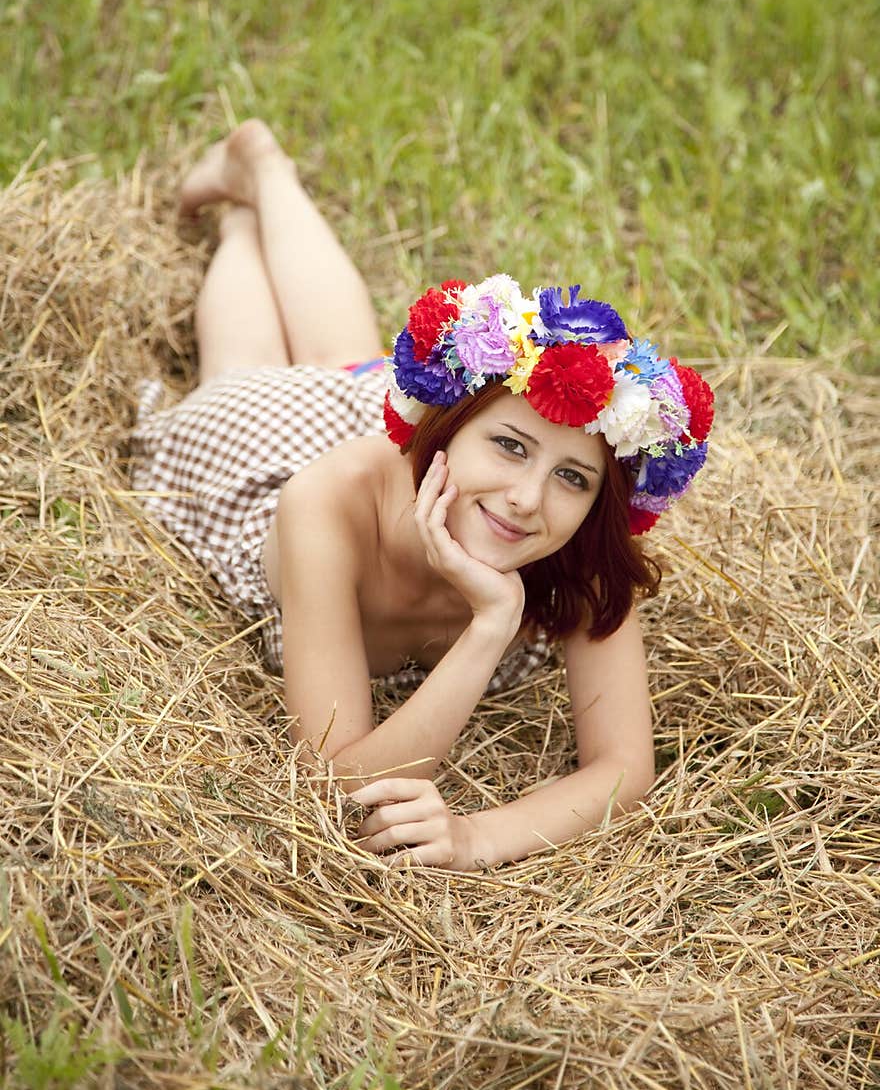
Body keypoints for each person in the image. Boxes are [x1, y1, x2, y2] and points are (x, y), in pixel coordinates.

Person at [131, 119, 714, 871]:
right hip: (276, 449)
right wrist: (487, 630)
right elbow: (334, 783)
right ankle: (251, 197)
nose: (527, 499)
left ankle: (261, 177)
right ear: (444, 431)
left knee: (342, 358)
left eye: (573, 476)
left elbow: (622, 767)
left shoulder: (580, 548)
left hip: (417, 458)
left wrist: (476, 837)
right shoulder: (326, 503)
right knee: (251, 367)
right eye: (510, 447)